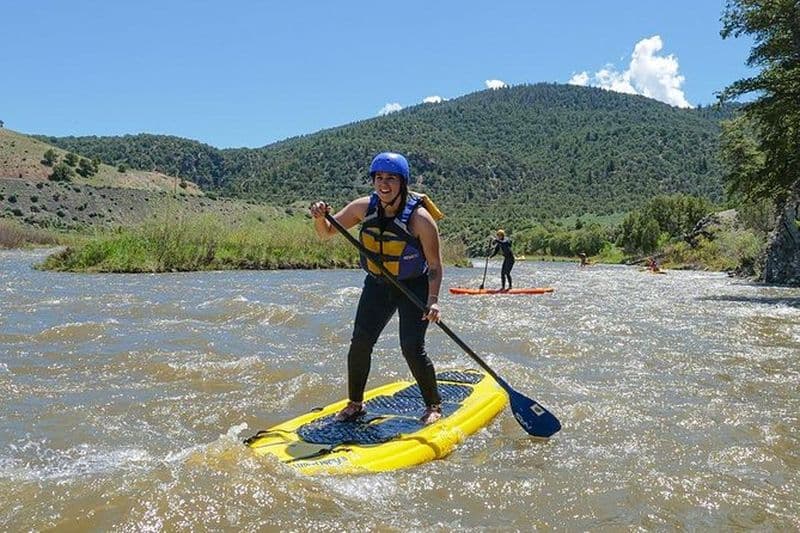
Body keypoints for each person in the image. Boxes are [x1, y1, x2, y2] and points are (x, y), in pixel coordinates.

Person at [309, 151, 445, 425]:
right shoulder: (363, 207)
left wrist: (433, 300)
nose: (384, 184)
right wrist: (319, 217)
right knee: (360, 342)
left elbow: (435, 266)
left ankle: (433, 405)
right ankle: (355, 404)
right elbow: (326, 233)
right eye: (379, 178)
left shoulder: (420, 219)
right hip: (378, 284)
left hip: (413, 287)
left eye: (391, 179)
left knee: (411, 347)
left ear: (402, 183)